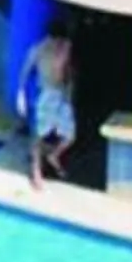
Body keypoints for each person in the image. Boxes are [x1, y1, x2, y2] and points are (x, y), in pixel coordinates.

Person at [17, 22, 77, 189]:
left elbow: (70, 73)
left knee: (70, 136)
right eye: (55, 40)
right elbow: (25, 72)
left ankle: (53, 155)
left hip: (62, 94)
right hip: (46, 93)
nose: (58, 44)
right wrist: (21, 95)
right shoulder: (39, 49)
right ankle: (36, 171)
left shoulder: (67, 47)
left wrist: (70, 95)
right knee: (39, 135)